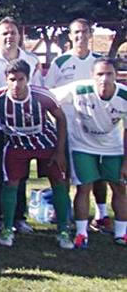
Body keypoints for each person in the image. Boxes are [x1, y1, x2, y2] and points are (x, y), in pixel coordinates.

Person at [0, 60, 73, 249]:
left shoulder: (42, 96)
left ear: (28, 79)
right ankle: (8, 228)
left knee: (59, 182)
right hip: (17, 145)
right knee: (10, 183)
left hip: (46, 143)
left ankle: (63, 230)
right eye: (12, 79)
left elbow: (61, 118)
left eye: (21, 79)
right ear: (6, 79)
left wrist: (60, 151)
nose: (16, 84)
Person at [51, 58, 127, 248]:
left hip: (112, 148)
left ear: (116, 76)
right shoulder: (79, 89)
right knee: (83, 187)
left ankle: (121, 233)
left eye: (109, 74)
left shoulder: (124, 96)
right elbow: (49, 98)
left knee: (119, 187)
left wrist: (126, 162)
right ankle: (81, 234)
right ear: (92, 75)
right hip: (82, 146)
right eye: (100, 74)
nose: (104, 79)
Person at [45, 18, 111, 234]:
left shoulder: (99, 62)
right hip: (66, 127)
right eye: (76, 32)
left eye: (84, 32)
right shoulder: (60, 62)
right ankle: (63, 213)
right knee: (62, 171)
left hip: (94, 128)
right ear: (70, 36)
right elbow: (48, 93)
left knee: (97, 173)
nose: (80, 36)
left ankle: (101, 215)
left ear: (90, 34)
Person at [0, 17, 42, 235]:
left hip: (22, 128)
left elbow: (38, 91)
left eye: (13, 32)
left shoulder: (31, 60)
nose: (9, 37)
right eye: (4, 33)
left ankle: (18, 217)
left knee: (19, 174)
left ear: (19, 35)